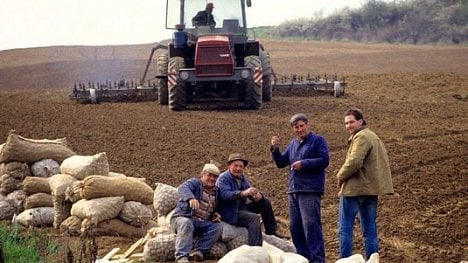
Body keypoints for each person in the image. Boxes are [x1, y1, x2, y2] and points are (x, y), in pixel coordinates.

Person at [270, 113, 330, 263]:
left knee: (310, 225)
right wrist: (275, 149)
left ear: (307, 125)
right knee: (295, 227)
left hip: (310, 189)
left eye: (301, 126)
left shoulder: (317, 140)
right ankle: (304, 258)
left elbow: (324, 160)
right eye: (296, 127)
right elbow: (281, 163)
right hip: (294, 190)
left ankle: (317, 259)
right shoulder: (293, 144)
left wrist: (304, 163)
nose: (299, 129)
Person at [336, 107, 394, 260]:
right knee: (369, 229)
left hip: (355, 190)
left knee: (345, 229)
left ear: (360, 121)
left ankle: (345, 260)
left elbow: (354, 161)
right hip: (370, 190)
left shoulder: (361, 137)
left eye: (351, 122)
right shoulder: (373, 136)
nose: (349, 126)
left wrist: (340, 176)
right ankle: (372, 259)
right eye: (346, 123)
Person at [216, 153, 284, 246]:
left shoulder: (242, 178)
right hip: (229, 212)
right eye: (235, 165)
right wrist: (243, 193)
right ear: (229, 166)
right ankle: (255, 247)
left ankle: (271, 231)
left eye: (241, 166)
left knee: (265, 202)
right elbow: (225, 195)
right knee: (253, 218)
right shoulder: (223, 178)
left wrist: (257, 196)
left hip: (240, 208)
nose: (238, 168)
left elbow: (249, 191)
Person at [170, 162, 223, 263]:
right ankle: (181, 257)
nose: (212, 179)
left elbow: (214, 208)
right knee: (186, 223)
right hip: (183, 218)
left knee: (218, 227)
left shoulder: (217, 191)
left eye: (215, 177)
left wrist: (215, 214)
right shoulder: (195, 183)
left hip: (202, 223)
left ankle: (198, 252)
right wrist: (191, 198)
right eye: (209, 175)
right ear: (202, 174)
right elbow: (183, 187)